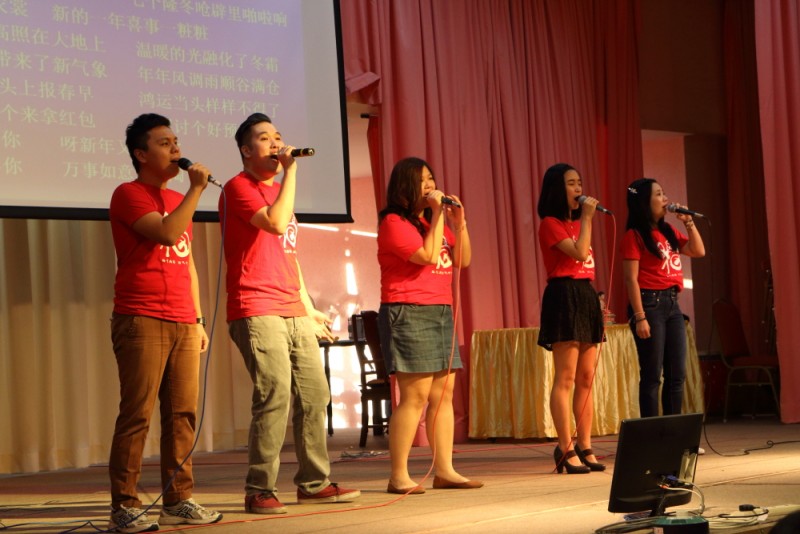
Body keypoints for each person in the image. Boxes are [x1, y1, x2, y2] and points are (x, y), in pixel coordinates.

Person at [220, 113, 360, 514]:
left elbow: (288, 256)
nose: (276, 143)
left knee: (315, 394)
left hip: (291, 307)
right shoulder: (238, 187)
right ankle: (258, 488)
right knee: (275, 394)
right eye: (265, 138)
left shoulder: (279, 190)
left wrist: (308, 307)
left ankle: (313, 482)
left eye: (278, 136)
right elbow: (277, 224)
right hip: (256, 305)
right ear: (246, 150)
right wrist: (291, 170)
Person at [108, 113, 222, 532]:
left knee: (182, 415)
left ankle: (178, 500)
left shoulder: (178, 197)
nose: (176, 148)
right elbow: (167, 234)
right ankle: (125, 505)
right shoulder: (129, 193)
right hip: (141, 316)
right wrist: (195, 189)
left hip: (182, 320)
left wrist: (197, 318)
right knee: (136, 415)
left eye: (176, 141)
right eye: (164, 143)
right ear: (141, 154)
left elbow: (186, 260)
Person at [377, 156, 482, 494]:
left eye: (431, 178)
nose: (430, 184)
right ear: (405, 186)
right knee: (415, 395)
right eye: (422, 179)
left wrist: (459, 223)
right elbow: (425, 256)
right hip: (409, 310)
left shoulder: (430, 221)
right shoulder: (393, 222)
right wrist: (438, 216)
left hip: (439, 311)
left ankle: (445, 470)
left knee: (444, 394)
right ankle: (399, 475)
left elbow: (462, 259)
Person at [536, 163, 605, 475]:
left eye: (580, 182)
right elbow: (578, 253)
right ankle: (565, 446)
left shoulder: (577, 223)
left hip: (585, 293)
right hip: (563, 294)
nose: (579, 189)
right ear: (557, 188)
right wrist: (588, 218)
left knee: (586, 378)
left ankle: (585, 445)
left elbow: (585, 259)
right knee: (565, 377)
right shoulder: (550, 224)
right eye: (571, 183)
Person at [622, 178, 705, 418]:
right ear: (644, 202)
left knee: (676, 374)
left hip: (672, 304)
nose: (665, 198)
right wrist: (640, 317)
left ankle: (672, 432)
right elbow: (631, 280)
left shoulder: (668, 231)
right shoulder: (634, 235)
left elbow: (698, 250)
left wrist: (688, 222)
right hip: (649, 304)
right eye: (658, 194)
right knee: (652, 375)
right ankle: (651, 432)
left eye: (664, 192)